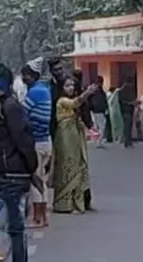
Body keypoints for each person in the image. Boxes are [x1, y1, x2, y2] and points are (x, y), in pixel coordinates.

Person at [0, 63, 38, 262]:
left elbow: (22, 140)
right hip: (6, 173)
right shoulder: (0, 105)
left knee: (15, 226)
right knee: (11, 225)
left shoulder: (10, 107)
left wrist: (31, 168)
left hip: (14, 174)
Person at [52, 77, 96, 213]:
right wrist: (87, 93)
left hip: (74, 134)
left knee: (77, 164)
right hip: (64, 136)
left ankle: (76, 201)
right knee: (66, 164)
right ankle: (63, 202)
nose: (70, 88)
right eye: (67, 86)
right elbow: (75, 103)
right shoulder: (61, 101)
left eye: (72, 85)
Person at [21, 59, 53, 228]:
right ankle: (44, 217)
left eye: (25, 75)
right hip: (46, 141)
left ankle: (37, 218)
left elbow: (22, 114)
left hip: (37, 143)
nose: (23, 78)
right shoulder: (45, 90)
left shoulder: (34, 93)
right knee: (42, 181)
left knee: (35, 181)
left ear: (32, 75)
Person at [88, 76, 108, 148]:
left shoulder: (91, 89)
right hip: (99, 110)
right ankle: (98, 142)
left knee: (96, 126)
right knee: (102, 126)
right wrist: (105, 108)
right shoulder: (99, 90)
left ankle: (95, 141)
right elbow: (102, 100)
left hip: (92, 110)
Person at [118, 78, 136, 147]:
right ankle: (127, 141)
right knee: (127, 126)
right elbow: (122, 101)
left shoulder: (130, 90)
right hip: (126, 110)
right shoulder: (122, 91)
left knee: (129, 126)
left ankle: (128, 140)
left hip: (129, 110)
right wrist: (130, 103)